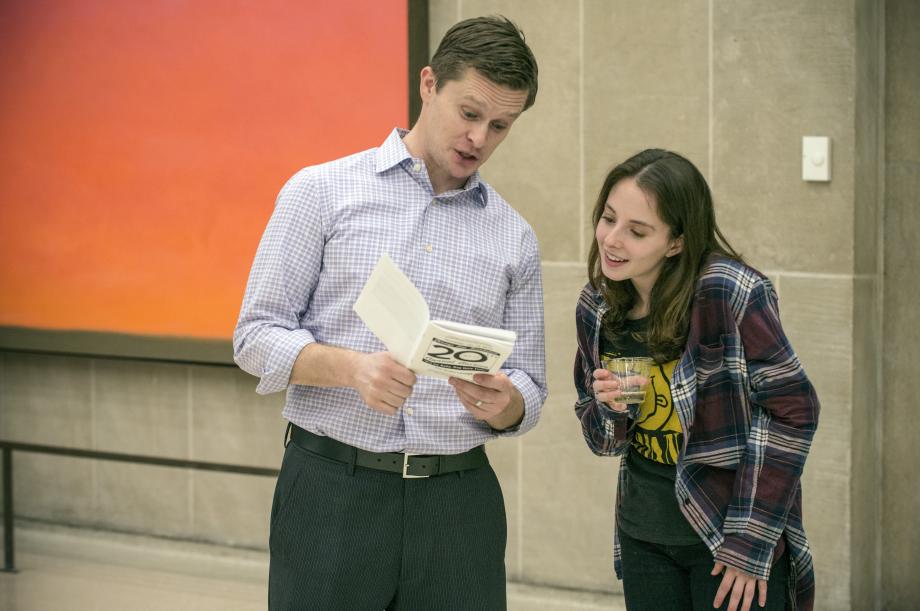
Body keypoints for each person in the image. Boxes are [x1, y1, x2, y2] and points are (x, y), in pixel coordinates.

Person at [233, 15, 546, 611]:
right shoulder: (319, 192)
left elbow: (531, 383)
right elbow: (254, 337)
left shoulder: (515, 238)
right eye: (469, 113)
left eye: (500, 126)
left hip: (459, 503)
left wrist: (508, 406)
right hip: (332, 491)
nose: (479, 138)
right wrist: (351, 369)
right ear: (428, 84)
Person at [573, 149, 820, 611]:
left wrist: (750, 540)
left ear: (676, 242)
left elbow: (795, 411)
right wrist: (608, 410)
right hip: (642, 533)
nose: (612, 240)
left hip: (727, 532)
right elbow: (603, 443)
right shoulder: (598, 306)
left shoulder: (729, 293)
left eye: (637, 231)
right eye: (608, 219)